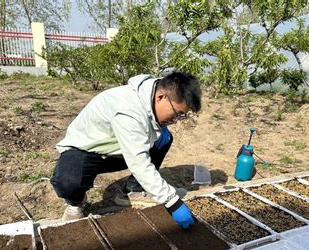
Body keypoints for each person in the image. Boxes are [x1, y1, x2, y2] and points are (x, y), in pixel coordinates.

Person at [50, 71, 201, 228]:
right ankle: (75, 202)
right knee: (68, 182)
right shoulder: (128, 109)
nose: (176, 120)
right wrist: (172, 202)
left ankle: (133, 189)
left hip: (119, 148)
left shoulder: (154, 92)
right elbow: (139, 163)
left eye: (181, 116)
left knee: (164, 138)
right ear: (160, 97)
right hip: (86, 150)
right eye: (177, 114)